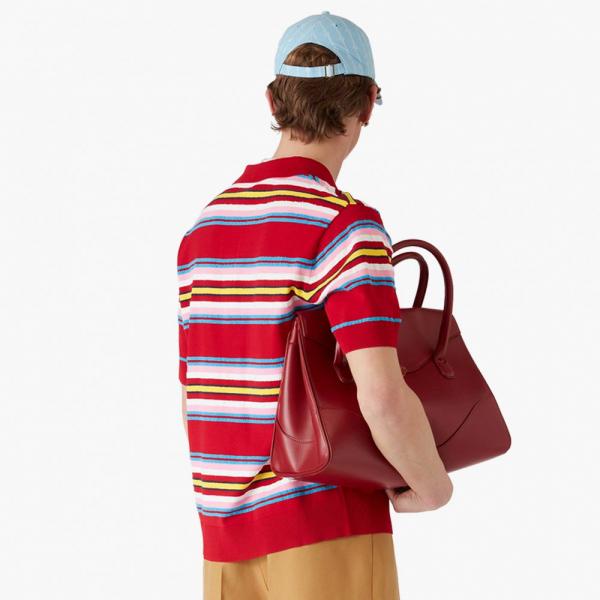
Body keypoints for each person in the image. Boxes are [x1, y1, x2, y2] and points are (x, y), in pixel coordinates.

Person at [176, 11, 453, 600]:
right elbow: (381, 394)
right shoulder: (344, 226)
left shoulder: (204, 229)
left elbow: (194, 390)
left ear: (273, 101)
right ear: (368, 105)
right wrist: (432, 486)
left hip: (223, 534)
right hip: (324, 522)